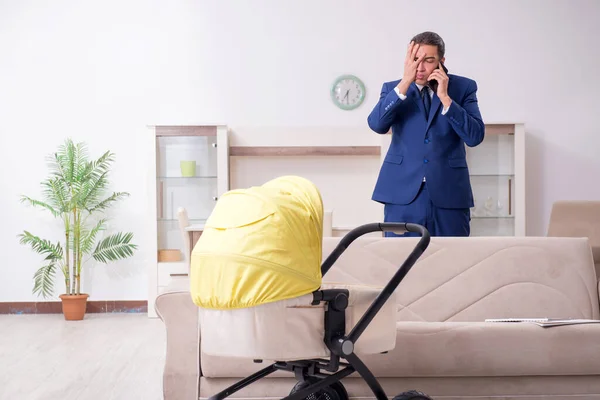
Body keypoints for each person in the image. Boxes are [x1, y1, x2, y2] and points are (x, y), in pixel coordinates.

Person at [367, 31, 484, 237]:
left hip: (449, 193)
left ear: (441, 61)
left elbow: (475, 137)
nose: (420, 67)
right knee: (400, 260)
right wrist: (404, 84)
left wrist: (446, 98)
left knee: (453, 260)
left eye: (428, 60)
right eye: (415, 59)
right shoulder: (393, 89)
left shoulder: (463, 87)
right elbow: (377, 124)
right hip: (402, 194)